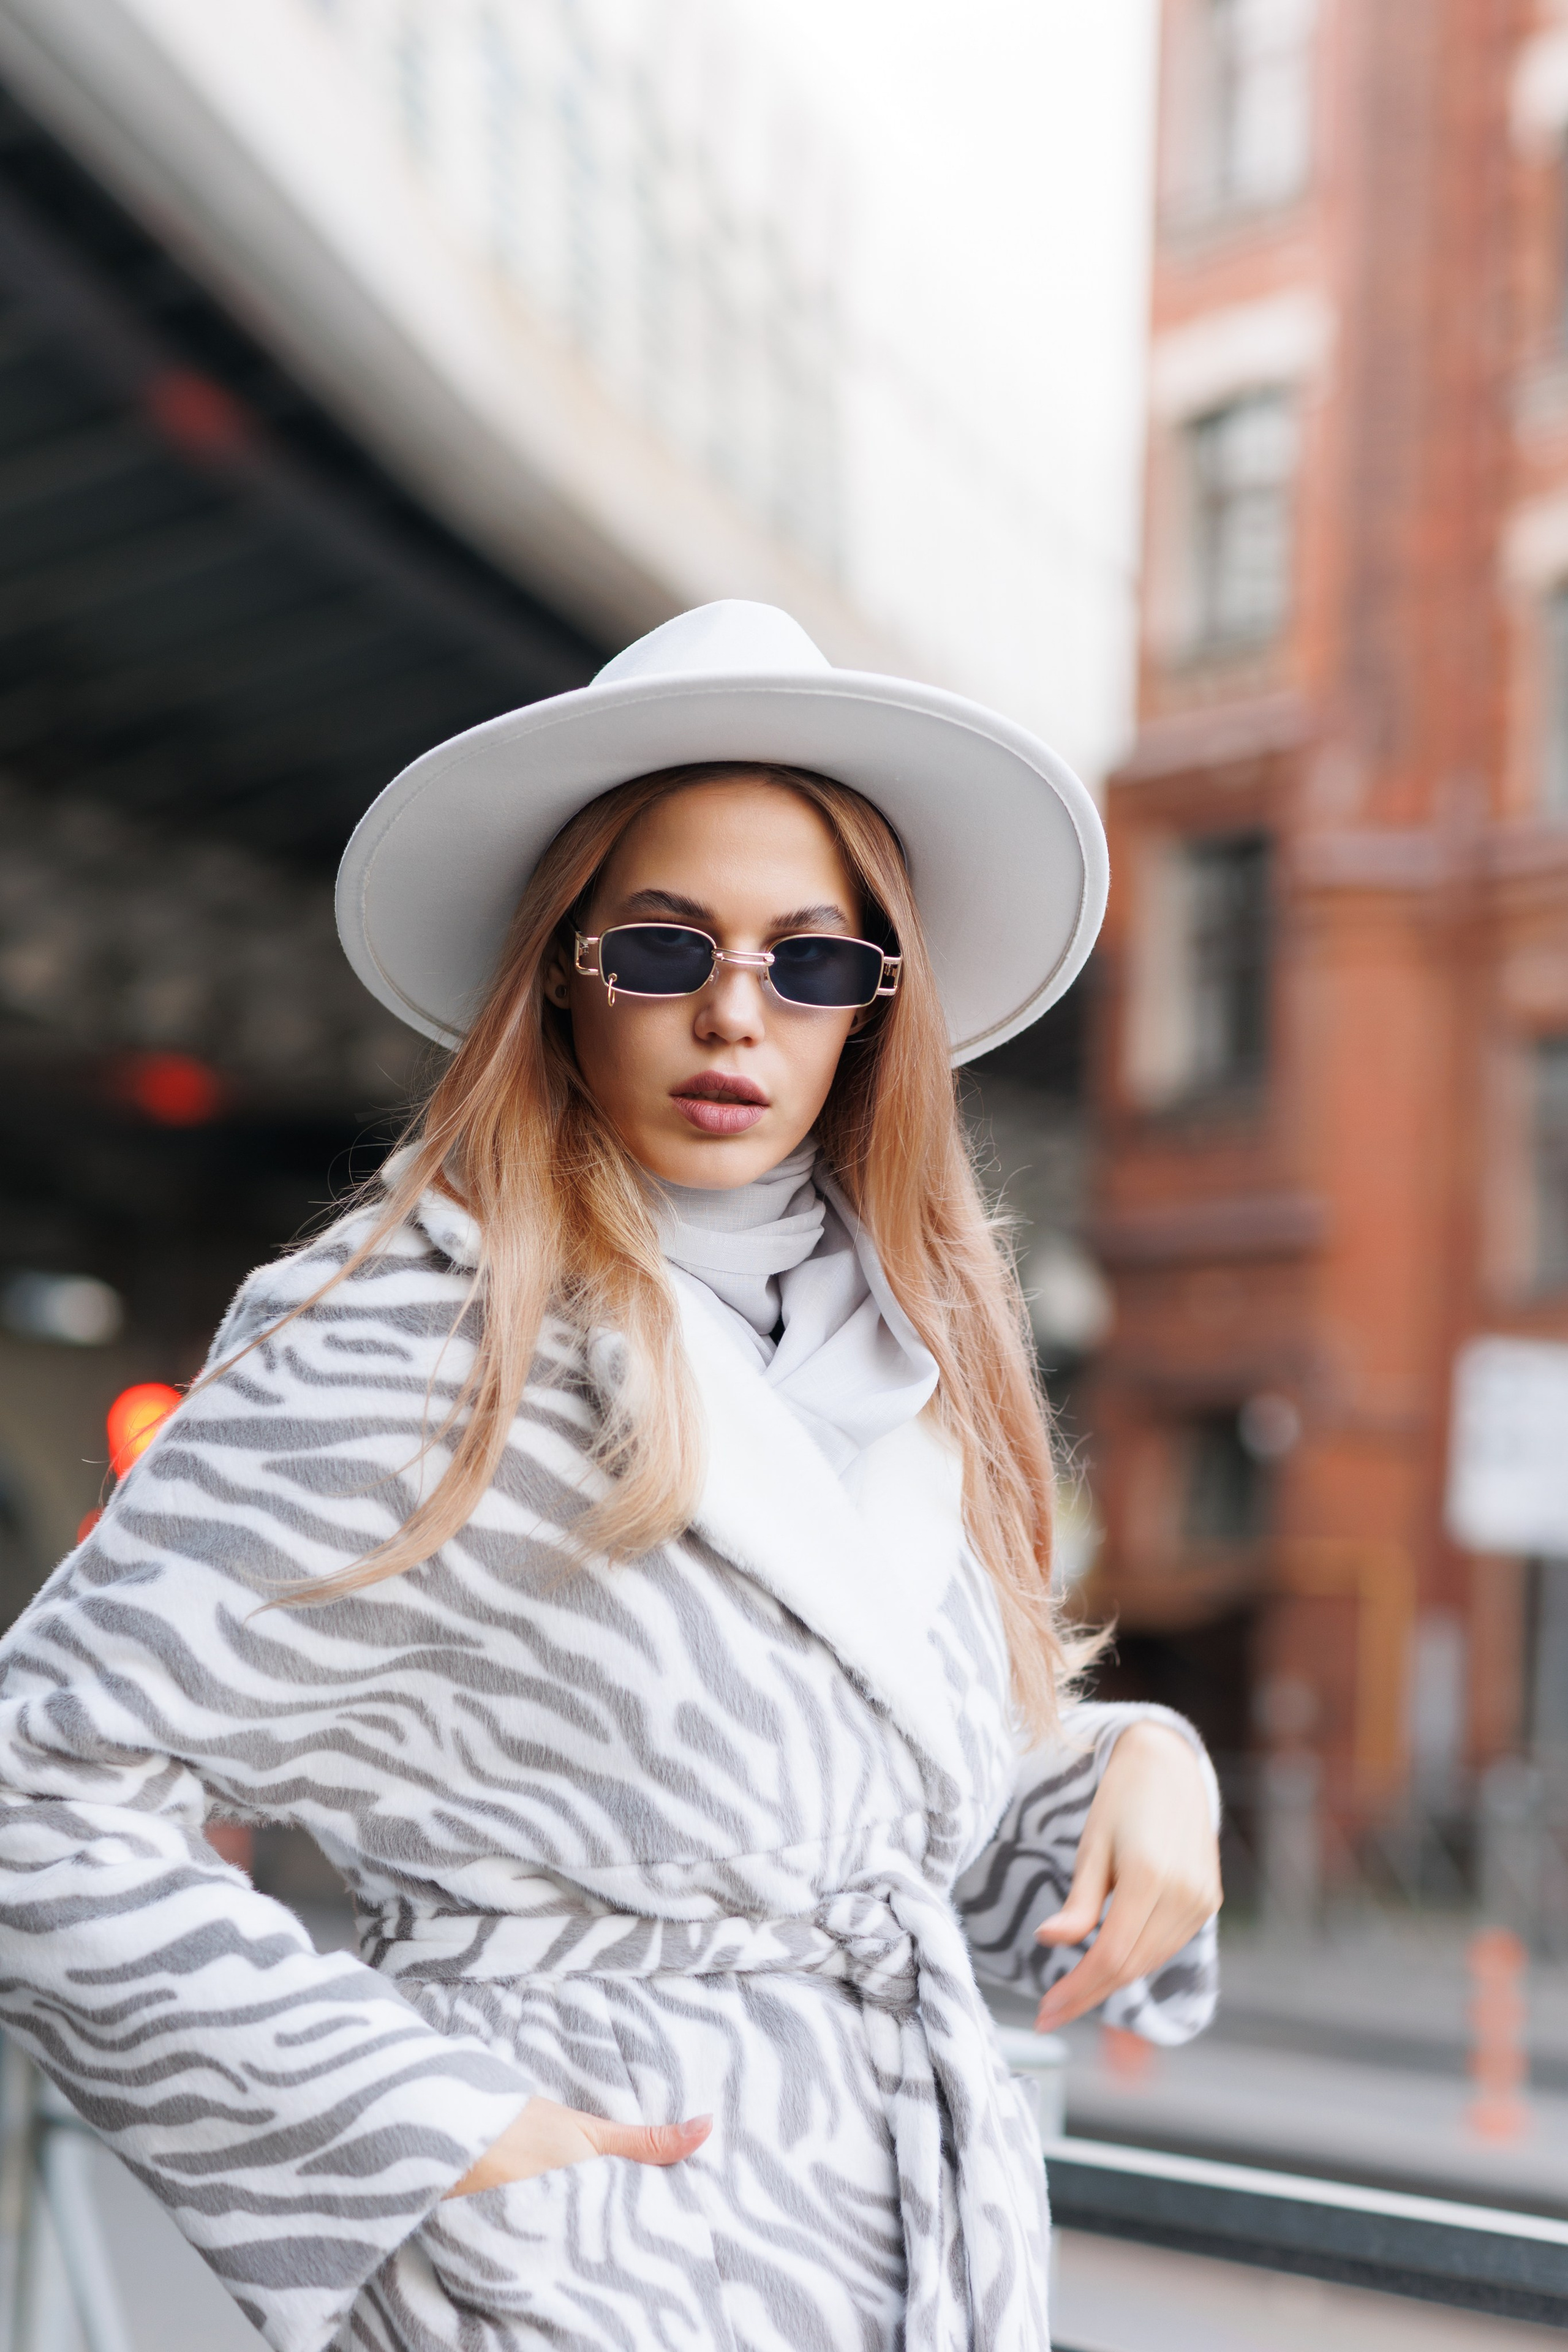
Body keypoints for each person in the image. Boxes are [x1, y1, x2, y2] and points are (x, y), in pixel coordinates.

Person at [0, 603, 1220, 2352]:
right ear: (564, 974)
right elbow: (36, 1779)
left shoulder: (906, 1357)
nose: (738, 1013)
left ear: (877, 1010)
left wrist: (1135, 1762)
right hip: (575, 2262)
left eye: (812, 963)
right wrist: (413, 2126)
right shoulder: (417, 1328)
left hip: (912, 2248)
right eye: (663, 950)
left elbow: (854, 1810)